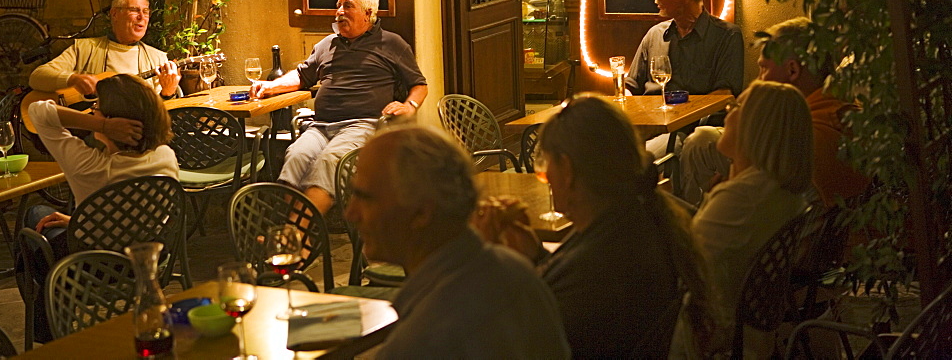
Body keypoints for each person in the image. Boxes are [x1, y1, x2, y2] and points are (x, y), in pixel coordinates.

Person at [474, 93, 714, 359]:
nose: (545, 176)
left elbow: (499, 339)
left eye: (545, 165)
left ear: (567, 170)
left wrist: (481, 260)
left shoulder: (605, 263)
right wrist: (534, 255)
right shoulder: (639, 217)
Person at [345, 125, 570, 359]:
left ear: (422, 212)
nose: (350, 214)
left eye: (365, 198)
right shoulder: (517, 270)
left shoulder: (424, 339)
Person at [22, 74, 179, 342]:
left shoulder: (89, 167)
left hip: (91, 269)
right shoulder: (165, 156)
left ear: (112, 119)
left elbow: (38, 112)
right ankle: (48, 305)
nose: (91, 112)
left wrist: (101, 124)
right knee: (43, 218)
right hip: (147, 261)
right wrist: (78, 221)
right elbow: (131, 214)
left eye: (95, 109)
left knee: (33, 226)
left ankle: (47, 324)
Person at [249, 0, 427, 214]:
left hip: (363, 124)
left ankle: (296, 236)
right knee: (295, 155)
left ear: (368, 13)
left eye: (348, 6)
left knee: (330, 160)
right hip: (321, 125)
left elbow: (419, 84)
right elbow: (303, 76)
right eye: (338, 6)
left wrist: (409, 106)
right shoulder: (327, 44)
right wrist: (271, 86)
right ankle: (299, 234)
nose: (339, 12)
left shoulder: (391, 43)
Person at [678, 80, 812, 357]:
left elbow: (683, 262)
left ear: (757, 125)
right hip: (749, 332)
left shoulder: (743, 199)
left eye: (736, 106)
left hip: (706, 331)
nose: (728, 111)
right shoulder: (775, 187)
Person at [680, 17, 869, 206]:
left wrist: (731, 185)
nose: (758, 80)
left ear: (792, 70)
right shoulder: (834, 106)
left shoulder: (807, 138)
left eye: (763, 68)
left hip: (770, 227)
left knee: (700, 143)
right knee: (703, 140)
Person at [625, 0, 744, 158]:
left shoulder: (726, 36)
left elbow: (724, 95)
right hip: (646, 128)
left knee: (633, 161)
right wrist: (633, 120)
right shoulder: (655, 34)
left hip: (689, 131)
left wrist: (669, 120)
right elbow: (630, 87)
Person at [29, 0, 181, 99]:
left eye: (146, 11)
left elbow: (162, 118)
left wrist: (168, 93)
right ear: (114, 14)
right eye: (134, 10)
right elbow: (37, 77)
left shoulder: (158, 59)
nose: (142, 17)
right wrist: (73, 79)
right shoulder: (84, 49)